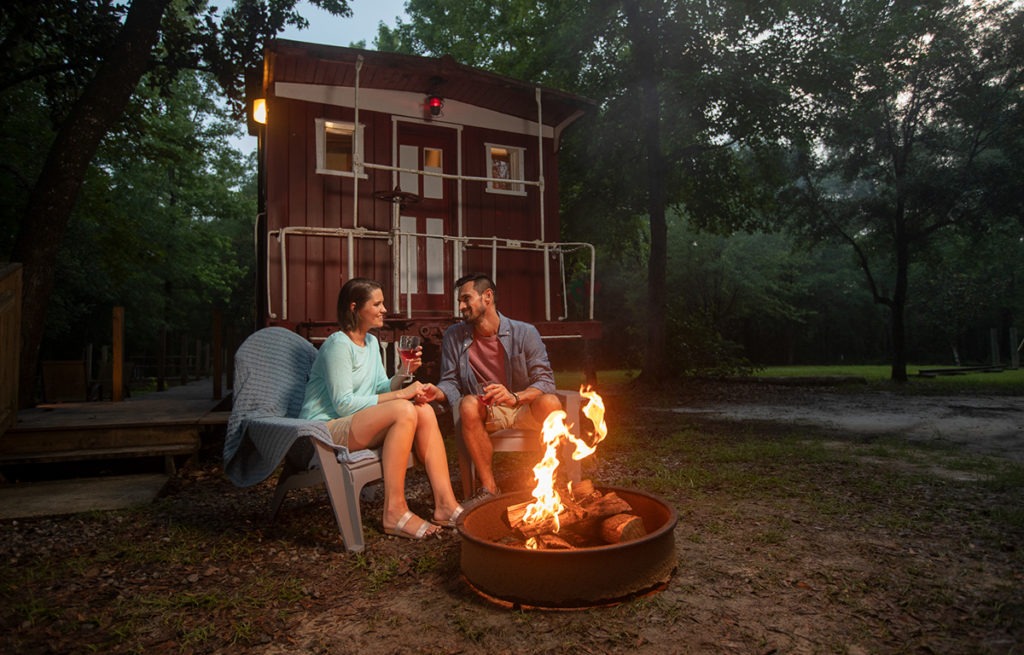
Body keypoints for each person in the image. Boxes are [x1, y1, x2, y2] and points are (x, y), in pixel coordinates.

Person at [299, 278, 463, 539]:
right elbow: (343, 404)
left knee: (423, 409)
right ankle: (394, 511)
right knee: (405, 409)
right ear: (355, 307)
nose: (384, 309)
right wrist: (402, 393)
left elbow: (380, 389)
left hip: (356, 422)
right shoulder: (338, 345)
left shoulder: (372, 343)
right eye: (377, 304)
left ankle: (445, 504)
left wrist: (403, 372)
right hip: (323, 430)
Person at [431, 273, 563, 503]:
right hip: (489, 411)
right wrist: (438, 392)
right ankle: (489, 488)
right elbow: (450, 381)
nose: (461, 306)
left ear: (487, 297)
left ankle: (553, 484)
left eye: (466, 299)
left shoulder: (525, 332)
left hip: (525, 406)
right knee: (468, 403)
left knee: (551, 402)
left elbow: (545, 380)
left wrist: (515, 396)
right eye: (460, 301)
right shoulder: (454, 336)